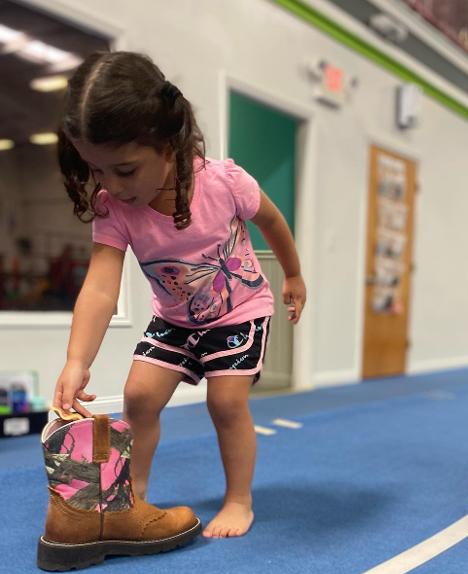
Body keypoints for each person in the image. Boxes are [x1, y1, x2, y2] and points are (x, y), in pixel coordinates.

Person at [53, 51, 306, 539]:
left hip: (239, 311)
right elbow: (101, 285)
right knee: (138, 397)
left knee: (226, 403)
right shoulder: (115, 208)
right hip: (175, 318)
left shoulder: (224, 182)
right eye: (97, 170)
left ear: (168, 144)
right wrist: (76, 359)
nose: (110, 185)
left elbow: (271, 220)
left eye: (124, 170)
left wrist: (292, 275)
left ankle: (238, 499)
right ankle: (136, 496)